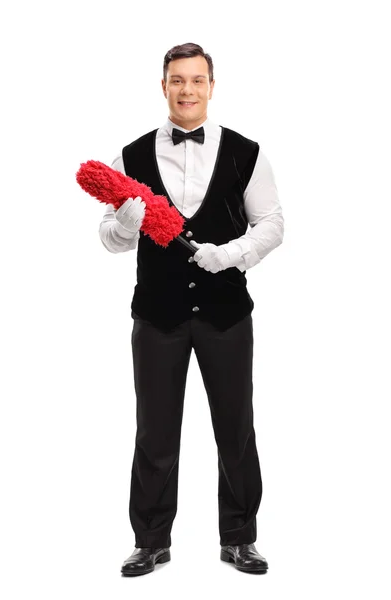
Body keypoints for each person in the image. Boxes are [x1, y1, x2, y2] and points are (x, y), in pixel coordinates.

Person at [99, 42, 284, 577]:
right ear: (164, 87)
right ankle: (151, 540)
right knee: (154, 430)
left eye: (196, 80)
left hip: (227, 315)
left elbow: (271, 223)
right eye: (177, 80)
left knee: (236, 427)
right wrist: (127, 226)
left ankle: (240, 538)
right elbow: (109, 239)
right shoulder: (130, 158)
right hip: (157, 316)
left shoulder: (246, 152)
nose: (187, 90)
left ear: (210, 85)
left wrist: (229, 255)